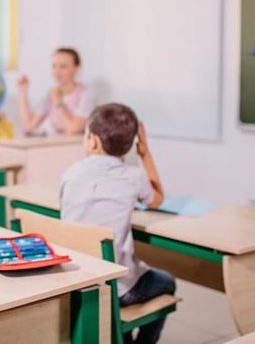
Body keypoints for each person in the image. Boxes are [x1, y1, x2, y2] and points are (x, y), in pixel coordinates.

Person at [59, 103, 174, 344]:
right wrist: (144, 152)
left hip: (76, 281)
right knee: (167, 281)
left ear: (92, 141)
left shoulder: (70, 174)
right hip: (117, 288)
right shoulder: (134, 176)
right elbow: (157, 198)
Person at [17, 47, 95, 135]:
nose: (57, 72)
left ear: (77, 68)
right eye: (54, 66)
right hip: (55, 142)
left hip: (73, 145)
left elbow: (73, 128)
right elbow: (29, 125)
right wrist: (23, 91)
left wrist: (58, 102)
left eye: (63, 66)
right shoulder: (52, 94)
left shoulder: (85, 93)